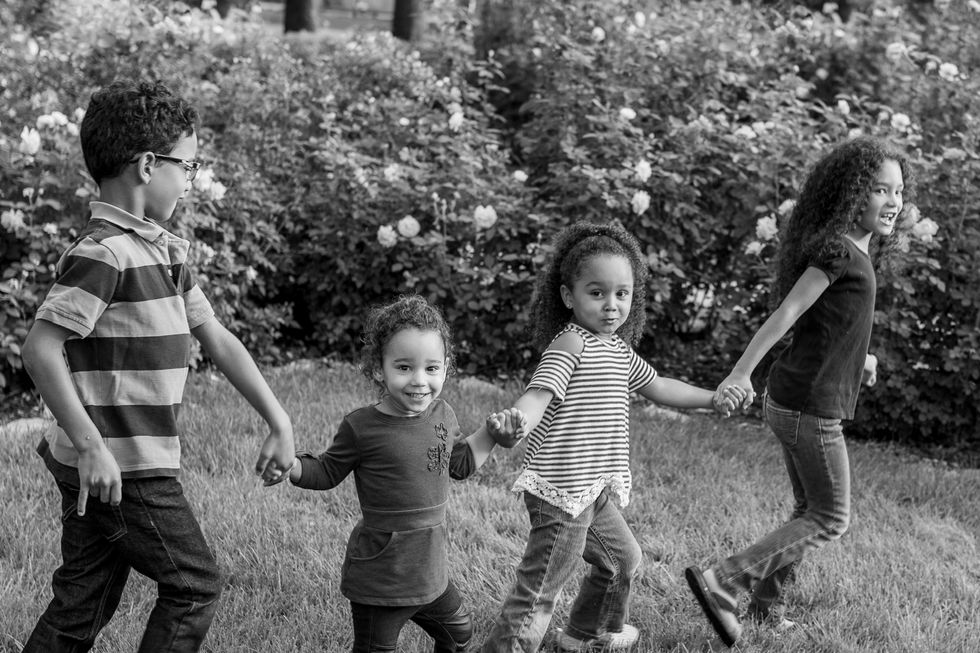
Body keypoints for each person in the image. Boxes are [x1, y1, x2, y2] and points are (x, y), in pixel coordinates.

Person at [19, 79, 296, 652]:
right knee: (194, 585)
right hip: (124, 464)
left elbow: (217, 338)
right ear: (149, 165)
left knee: (82, 603)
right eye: (188, 166)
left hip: (115, 463)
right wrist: (92, 447)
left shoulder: (163, 252)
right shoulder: (104, 253)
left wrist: (279, 419)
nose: (191, 180)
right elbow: (40, 349)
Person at [684, 136, 915, 648]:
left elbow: (834, 324)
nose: (893, 201)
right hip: (809, 408)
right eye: (880, 189)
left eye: (898, 191)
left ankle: (767, 607)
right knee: (830, 518)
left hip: (796, 399)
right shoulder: (837, 250)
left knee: (809, 506)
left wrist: (864, 359)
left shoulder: (855, 252)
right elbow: (788, 313)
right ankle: (726, 580)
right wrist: (740, 373)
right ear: (851, 193)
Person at [479, 221, 745, 653]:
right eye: (597, 293)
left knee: (622, 561)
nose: (611, 305)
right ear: (569, 296)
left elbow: (659, 386)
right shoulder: (571, 344)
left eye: (622, 294)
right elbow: (539, 393)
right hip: (560, 492)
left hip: (591, 488)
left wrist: (712, 399)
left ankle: (583, 634)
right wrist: (517, 422)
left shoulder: (618, 350)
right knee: (540, 592)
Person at [276, 295, 524, 653]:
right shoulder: (362, 427)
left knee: (458, 632)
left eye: (431, 368)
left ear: (445, 368)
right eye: (404, 367)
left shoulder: (443, 414)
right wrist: (292, 465)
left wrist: (491, 436)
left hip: (430, 574)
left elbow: (458, 464)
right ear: (379, 368)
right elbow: (327, 471)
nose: (419, 380)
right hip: (382, 580)